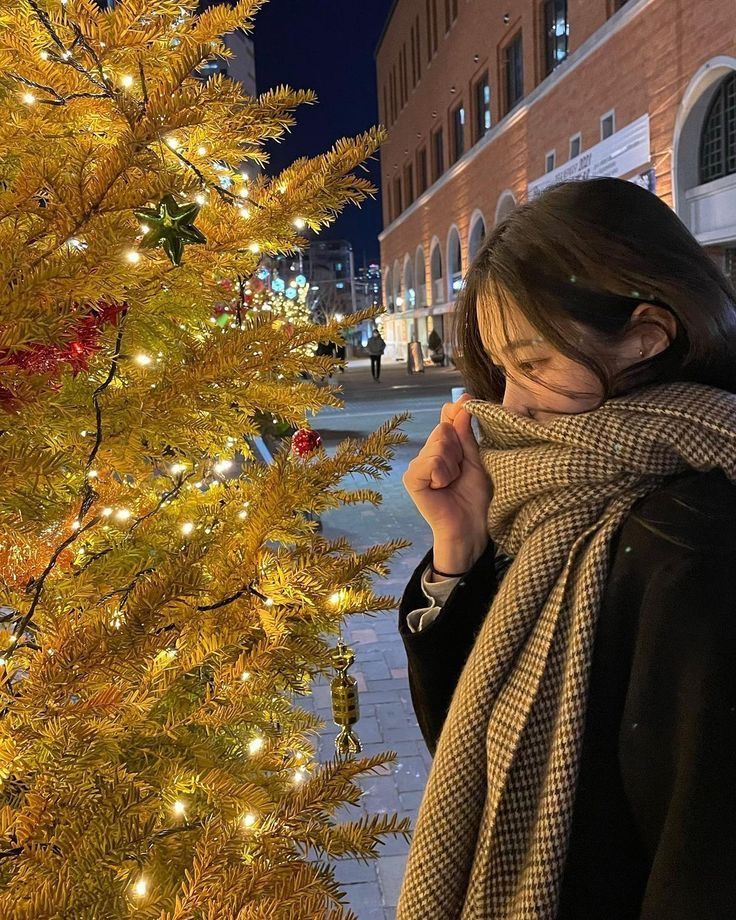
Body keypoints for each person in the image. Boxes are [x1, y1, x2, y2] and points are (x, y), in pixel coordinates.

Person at [398, 177, 736, 920]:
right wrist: (459, 549)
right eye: (500, 366)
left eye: (535, 361)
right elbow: (474, 748)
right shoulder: (562, 503)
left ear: (648, 333)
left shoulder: (690, 542)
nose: (510, 400)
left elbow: (705, 860)